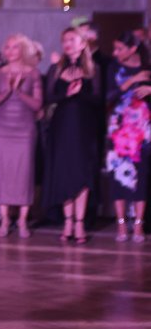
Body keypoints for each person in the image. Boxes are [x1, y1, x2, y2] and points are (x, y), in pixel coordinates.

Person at [43, 27, 102, 244]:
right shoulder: (56, 68)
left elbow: (98, 99)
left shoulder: (93, 68)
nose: (67, 44)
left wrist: (81, 91)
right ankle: (67, 221)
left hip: (84, 127)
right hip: (62, 126)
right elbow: (48, 97)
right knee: (64, 172)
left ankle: (80, 223)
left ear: (82, 43)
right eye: (64, 40)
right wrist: (66, 92)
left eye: (72, 39)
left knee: (82, 173)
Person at [0, 34, 43, 238]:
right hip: (2, 129)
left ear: (23, 50)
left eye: (15, 47)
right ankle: (5, 220)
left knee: (24, 174)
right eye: (7, 47)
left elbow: (37, 104)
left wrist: (18, 92)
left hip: (24, 130)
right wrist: (8, 91)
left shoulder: (33, 73)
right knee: (3, 173)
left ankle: (22, 221)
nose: (10, 51)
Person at [104, 30, 151, 243]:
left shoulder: (147, 66)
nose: (115, 53)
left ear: (133, 49)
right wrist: (133, 79)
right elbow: (108, 96)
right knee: (118, 177)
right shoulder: (114, 68)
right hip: (119, 129)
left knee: (141, 176)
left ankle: (138, 225)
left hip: (142, 130)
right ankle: (121, 224)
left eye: (120, 49)